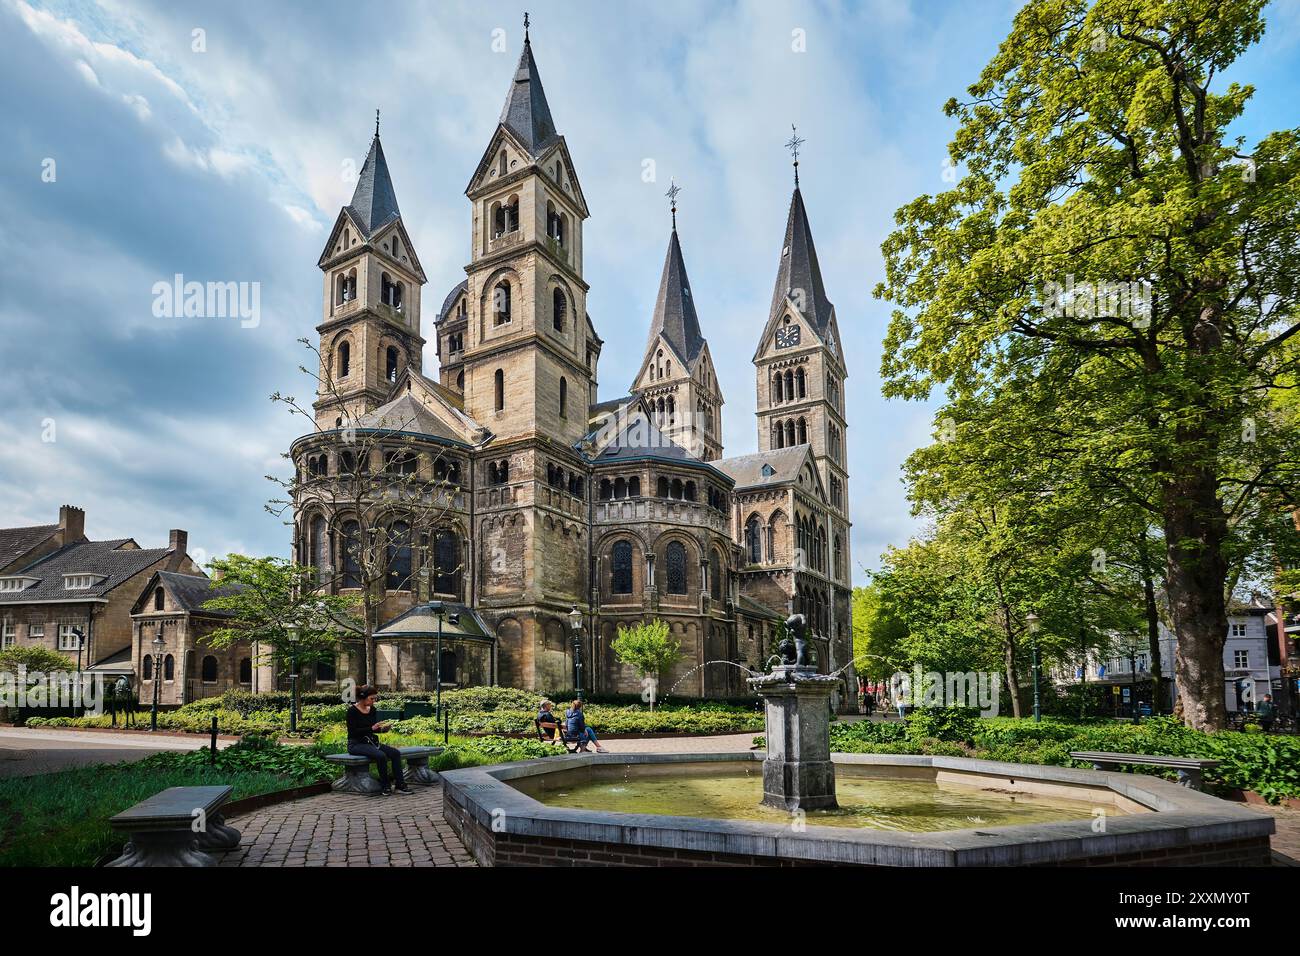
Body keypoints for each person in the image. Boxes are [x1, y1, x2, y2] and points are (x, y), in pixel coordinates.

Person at [347, 686, 411, 795]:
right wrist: (371, 728)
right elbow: (353, 732)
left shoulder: (372, 709)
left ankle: (400, 785)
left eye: (375, 699)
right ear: (363, 698)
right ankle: (385, 786)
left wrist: (382, 730)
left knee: (395, 753)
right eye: (371, 699)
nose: (374, 701)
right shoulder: (352, 711)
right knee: (381, 755)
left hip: (371, 742)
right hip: (356, 744)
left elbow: (371, 730)